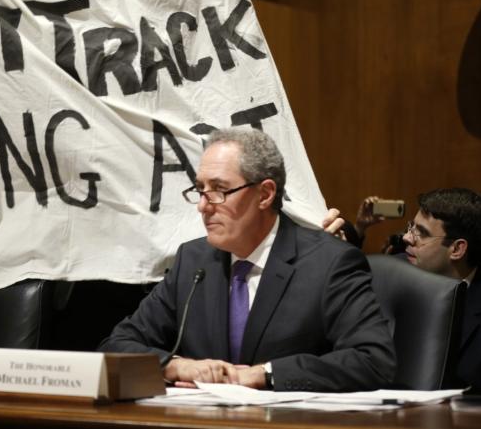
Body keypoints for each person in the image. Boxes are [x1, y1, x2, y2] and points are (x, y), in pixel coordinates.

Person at [99, 127, 395, 391]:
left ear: (265, 194)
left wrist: (265, 374)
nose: (203, 205)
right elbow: (115, 347)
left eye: (219, 190)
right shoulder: (193, 261)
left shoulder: (330, 263)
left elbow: (372, 360)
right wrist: (176, 365)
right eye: (200, 189)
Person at [402, 188, 481, 391]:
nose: (407, 237)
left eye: (421, 233)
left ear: (457, 249)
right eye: (411, 227)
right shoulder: (390, 276)